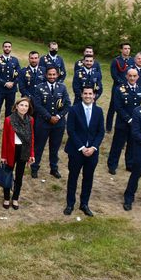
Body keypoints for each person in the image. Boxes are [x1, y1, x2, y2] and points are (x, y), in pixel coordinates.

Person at [63, 87, 105, 217]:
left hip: (92, 151)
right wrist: (82, 147)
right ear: (81, 95)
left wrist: (93, 147)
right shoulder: (74, 109)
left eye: (90, 94)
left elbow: (100, 132)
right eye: (85, 93)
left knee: (88, 178)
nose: (88, 96)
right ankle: (70, 204)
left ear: (94, 96)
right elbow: (71, 130)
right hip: (76, 150)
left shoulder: (98, 111)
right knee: (73, 177)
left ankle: (84, 204)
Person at [31, 66, 71, 179]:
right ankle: (34, 168)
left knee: (55, 148)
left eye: (54, 74)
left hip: (58, 124)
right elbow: (37, 105)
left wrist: (58, 116)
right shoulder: (39, 88)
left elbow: (68, 104)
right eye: (50, 74)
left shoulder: (62, 88)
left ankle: (54, 169)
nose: (52, 77)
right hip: (43, 123)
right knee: (39, 147)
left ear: (57, 75)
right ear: (45, 75)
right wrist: (49, 117)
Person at [107, 68, 141, 175]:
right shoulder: (119, 89)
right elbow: (118, 107)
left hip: (136, 124)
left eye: (134, 76)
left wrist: (138, 120)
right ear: (126, 76)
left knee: (132, 145)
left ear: (138, 77)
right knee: (117, 145)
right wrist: (129, 119)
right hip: (122, 123)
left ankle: (130, 164)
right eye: (130, 76)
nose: (132, 78)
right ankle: (112, 165)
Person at [0, 97, 35, 210]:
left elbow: (32, 138)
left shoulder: (31, 120)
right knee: (7, 175)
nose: (23, 108)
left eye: (26, 106)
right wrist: (3, 156)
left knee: (19, 176)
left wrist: (32, 154)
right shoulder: (9, 120)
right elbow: (5, 139)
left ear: (28, 108)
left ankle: (15, 198)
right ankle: (6, 197)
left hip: (24, 150)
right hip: (11, 150)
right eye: (21, 105)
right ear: (16, 106)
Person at [0, 41, 21, 134]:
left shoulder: (15, 60)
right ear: (3, 48)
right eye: (5, 46)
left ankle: (8, 128)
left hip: (11, 90)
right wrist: (5, 83)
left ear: (11, 48)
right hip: (0, 89)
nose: (7, 48)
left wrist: (13, 83)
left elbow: (19, 74)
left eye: (9, 46)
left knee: (10, 110)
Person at [107, 42, 133, 132]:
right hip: (118, 87)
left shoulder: (132, 61)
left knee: (127, 107)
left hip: (130, 87)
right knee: (113, 106)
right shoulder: (116, 61)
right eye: (125, 48)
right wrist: (123, 84)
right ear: (121, 50)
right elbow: (114, 75)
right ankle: (108, 127)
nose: (127, 50)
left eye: (129, 49)